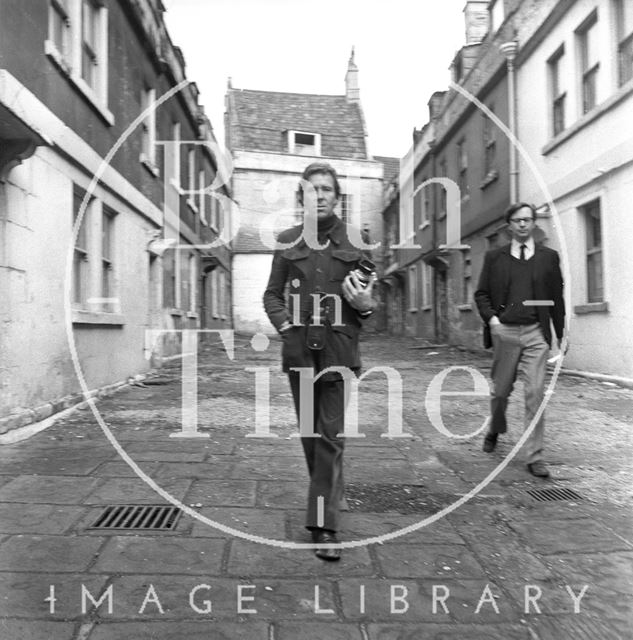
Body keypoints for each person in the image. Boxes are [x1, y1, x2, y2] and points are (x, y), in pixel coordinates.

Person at [263, 162, 376, 561]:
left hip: (339, 352)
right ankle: (330, 493)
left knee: (330, 436)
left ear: (337, 197)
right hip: (299, 352)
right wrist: (285, 324)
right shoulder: (287, 241)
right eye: (312, 190)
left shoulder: (357, 243)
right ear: (302, 198)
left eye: (327, 189)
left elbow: (367, 303)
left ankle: (323, 525)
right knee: (311, 437)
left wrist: (364, 305)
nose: (320, 195)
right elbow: (271, 295)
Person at [474, 202, 566, 478]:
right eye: (517, 220)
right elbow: (481, 294)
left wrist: (561, 336)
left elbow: (556, 300)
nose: (523, 224)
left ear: (534, 223)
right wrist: (493, 321)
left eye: (528, 219)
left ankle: (535, 456)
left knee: (535, 393)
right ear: (509, 225)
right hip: (506, 333)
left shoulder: (549, 257)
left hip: (536, 333)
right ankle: (495, 428)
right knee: (500, 393)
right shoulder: (494, 258)